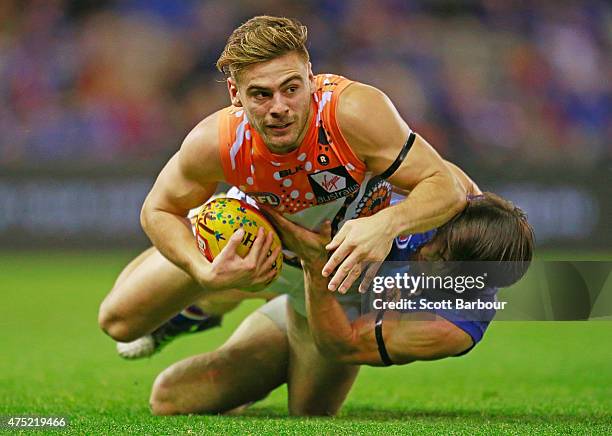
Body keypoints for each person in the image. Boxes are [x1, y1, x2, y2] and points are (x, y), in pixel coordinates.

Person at [97, 15, 481, 414]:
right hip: (250, 243)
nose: (279, 107)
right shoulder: (216, 140)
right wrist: (202, 271)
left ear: (311, 79)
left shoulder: (354, 113)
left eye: (291, 89)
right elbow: (158, 210)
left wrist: (386, 225)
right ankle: (210, 301)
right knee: (118, 322)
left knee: (307, 413)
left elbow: (446, 186)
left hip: (332, 280)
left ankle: (268, 322)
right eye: (261, 95)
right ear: (235, 94)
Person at [147, 191, 534, 416]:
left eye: (443, 258)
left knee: (309, 414)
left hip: (334, 321)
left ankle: (261, 368)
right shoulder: (438, 209)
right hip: (305, 292)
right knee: (167, 398)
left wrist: (316, 269)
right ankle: (203, 310)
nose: (427, 249)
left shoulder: (453, 326)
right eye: (441, 240)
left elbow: (342, 342)